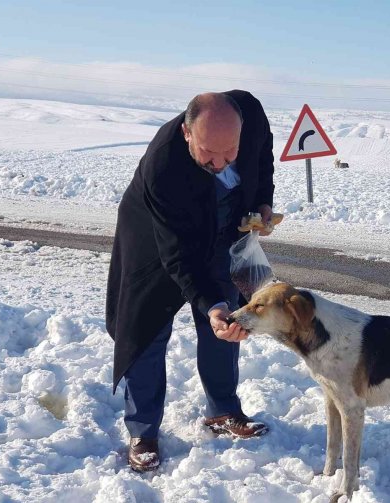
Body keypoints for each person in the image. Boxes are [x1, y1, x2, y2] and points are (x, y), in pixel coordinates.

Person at [106, 90, 275, 472]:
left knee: (225, 324)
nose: (219, 163)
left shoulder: (250, 113)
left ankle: (223, 411)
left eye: (229, 153)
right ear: (186, 133)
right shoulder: (162, 166)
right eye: (208, 154)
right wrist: (209, 302)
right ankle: (143, 430)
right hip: (157, 240)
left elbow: (261, 159)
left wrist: (262, 201)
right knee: (147, 329)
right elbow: (177, 256)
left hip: (222, 229)